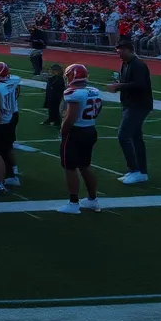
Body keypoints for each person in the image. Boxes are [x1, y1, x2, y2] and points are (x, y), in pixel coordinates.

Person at [58, 63, 102, 214]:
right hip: (90, 128)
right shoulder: (94, 91)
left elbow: (70, 117)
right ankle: (92, 199)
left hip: (76, 132)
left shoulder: (73, 93)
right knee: (85, 165)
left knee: (70, 168)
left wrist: (63, 131)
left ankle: (73, 203)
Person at [108, 39, 152, 185]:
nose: (118, 54)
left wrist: (120, 86)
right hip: (130, 104)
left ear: (128, 50)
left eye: (120, 51)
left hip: (138, 105)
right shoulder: (125, 64)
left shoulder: (138, 65)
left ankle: (135, 170)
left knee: (124, 135)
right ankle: (141, 172)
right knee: (136, 137)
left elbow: (140, 85)